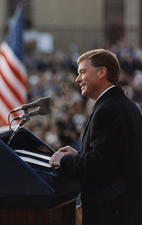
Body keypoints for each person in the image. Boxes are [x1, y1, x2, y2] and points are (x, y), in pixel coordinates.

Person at [49, 49, 142, 225]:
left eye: (83, 72)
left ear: (102, 72)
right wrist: (79, 156)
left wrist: (64, 160)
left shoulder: (107, 109)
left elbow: (99, 165)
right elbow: (113, 159)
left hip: (110, 215)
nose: (77, 79)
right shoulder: (126, 104)